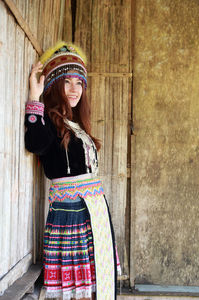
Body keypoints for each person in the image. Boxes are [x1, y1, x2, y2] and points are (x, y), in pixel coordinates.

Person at [25, 41, 121, 300]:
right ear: (55, 85)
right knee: (77, 293)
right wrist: (34, 98)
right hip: (71, 216)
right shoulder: (49, 119)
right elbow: (35, 143)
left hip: (95, 213)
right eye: (67, 82)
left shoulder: (76, 124)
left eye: (79, 83)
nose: (74, 89)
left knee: (94, 289)